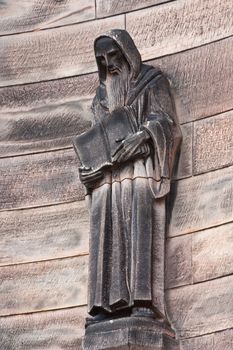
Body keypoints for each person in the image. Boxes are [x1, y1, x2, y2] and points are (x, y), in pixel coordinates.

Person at [78, 29, 182, 323]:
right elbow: (95, 139)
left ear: (127, 54)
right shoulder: (100, 98)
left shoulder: (152, 81)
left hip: (139, 171)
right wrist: (87, 170)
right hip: (106, 183)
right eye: (101, 59)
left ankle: (142, 302)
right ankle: (103, 307)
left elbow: (169, 125)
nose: (108, 64)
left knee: (138, 230)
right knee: (105, 238)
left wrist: (145, 135)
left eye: (113, 55)